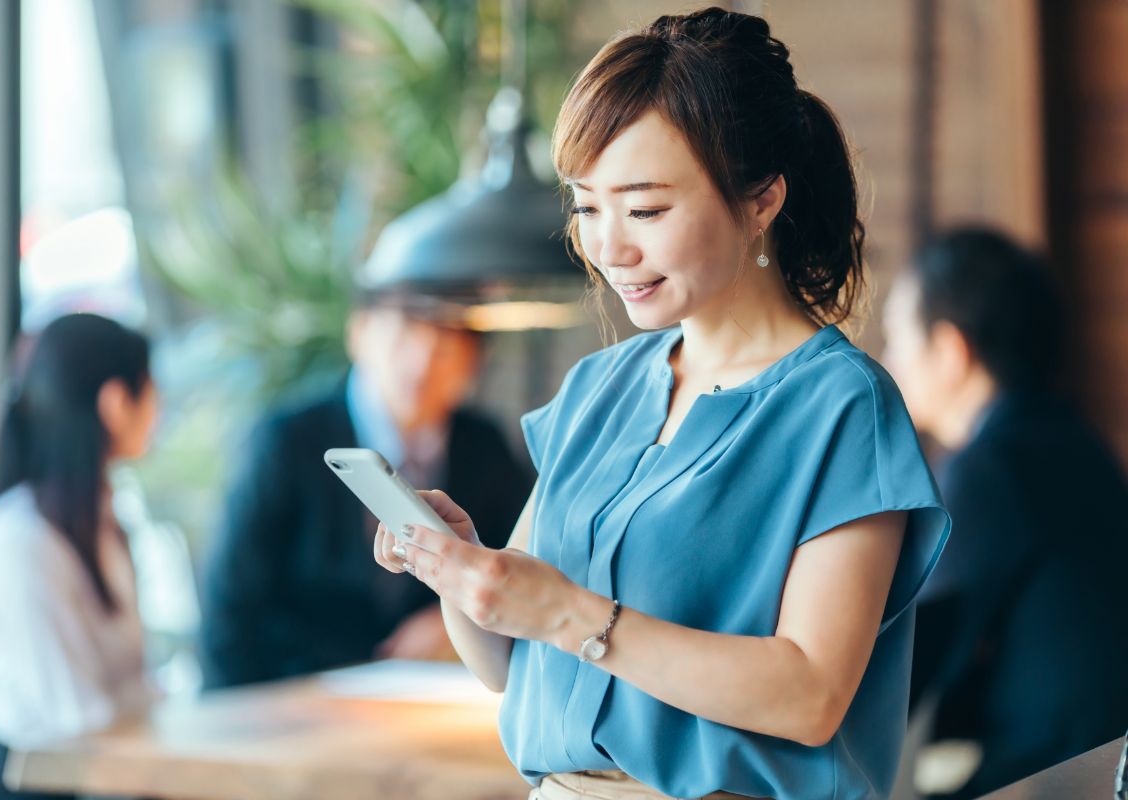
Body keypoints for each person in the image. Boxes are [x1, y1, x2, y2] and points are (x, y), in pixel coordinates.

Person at [373, 9, 952, 800]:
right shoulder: (598, 389)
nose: (610, 247)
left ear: (760, 201)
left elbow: (810, 695)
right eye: (587, 207)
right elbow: (510, 667)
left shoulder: (843, 407)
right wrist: (463, 575)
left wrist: (570, 615)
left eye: (645, 209)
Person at [882, 228, 1128, 798]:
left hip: (1066, 777)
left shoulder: (990, 468)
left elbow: (905, 666)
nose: (888, 361)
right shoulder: (1069, 439)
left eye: (897, 339)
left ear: (949, 352)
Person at [197, 298, 533, 689]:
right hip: (291, 693)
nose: (421, 364)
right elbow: (230, 608)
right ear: (359, 334)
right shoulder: (287, 440)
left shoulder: (484, 447)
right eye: (404, 336)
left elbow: (522, 563)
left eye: (445, 346)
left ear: (473, 362)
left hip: (419, 695)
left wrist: (453, 617)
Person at [0, 313, 157, 800]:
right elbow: (76, 721)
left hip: (88, 771)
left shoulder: (96, 522)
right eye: (151, 390)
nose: (159, 410)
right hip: (31, 783)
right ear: (116, 403)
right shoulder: (22, 541)